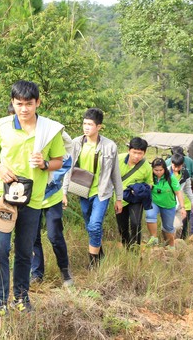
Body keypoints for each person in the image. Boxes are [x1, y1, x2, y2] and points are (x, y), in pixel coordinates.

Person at [0, 80, 66, 319]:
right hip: (4, 196)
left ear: (38, 102)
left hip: (33, 199)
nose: (24, 109)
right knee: (0, 248)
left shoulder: (49, 130)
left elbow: (59, 161)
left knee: (24, 250)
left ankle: (21, 298)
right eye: (19, 104)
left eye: (29, 104)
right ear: (13, 103)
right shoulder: (2, 125)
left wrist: (45, 164)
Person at [63, 108, 124, 268]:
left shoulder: (110, 146)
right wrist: (64, 192)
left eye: (90, 124)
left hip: (102, 192)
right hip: (83, 191)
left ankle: (93, 264)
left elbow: (115, 173)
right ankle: (99, 254)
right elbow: (68, 168)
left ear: (99, 126)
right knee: (90, 226)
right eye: (84, 123)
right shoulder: (76, 143)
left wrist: (119, 198)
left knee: (95, 225)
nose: (86, 127)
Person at [31, 131, 74, 287]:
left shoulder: (52, 132)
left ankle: (65, 270)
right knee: (33, 237)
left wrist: (48, 171)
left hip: (52, 197)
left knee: (54, 235)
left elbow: (65, 161)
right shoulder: (24, 136)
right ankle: (36, 274)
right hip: (32, 197)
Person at [116, 137, 153, 248]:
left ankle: (135, 249)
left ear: (144, 153)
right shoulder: (118, 160)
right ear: (129, 150)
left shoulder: (146, 166)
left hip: (136, 198)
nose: (136, 156)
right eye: (134, 152)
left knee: (136, 223)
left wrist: (140, 189)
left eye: (140, 153)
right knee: (122, 226)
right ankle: (126, 246)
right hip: (120, 198)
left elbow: (150, 183)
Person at [145, 158, 186, 247]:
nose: (158, 172)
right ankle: (154, 238)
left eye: (161, 170)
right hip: (154, 202)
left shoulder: (171, 178)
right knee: (150, 215)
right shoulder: (150, 177)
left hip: (168, 205)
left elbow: (178, 192)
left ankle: (171, 245)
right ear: (152, 169)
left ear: (164, 169)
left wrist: (182, 207)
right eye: (156, 170)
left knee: (168, 228)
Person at [167, 146, 193, 234]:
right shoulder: (167, 167)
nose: (176, 169)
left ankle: (188, 235)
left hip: (184, 198)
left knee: (184, 221)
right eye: (175, 166)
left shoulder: (188, 164)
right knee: (169, 225)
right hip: (169, 200)